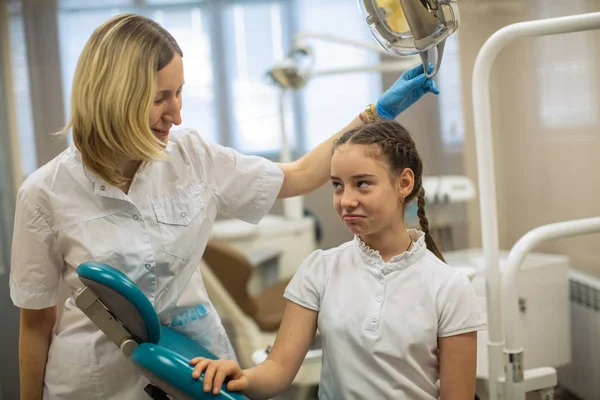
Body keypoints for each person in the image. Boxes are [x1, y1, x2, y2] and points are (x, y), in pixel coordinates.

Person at [9, 13, 438, 400]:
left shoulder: (191, 155)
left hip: (197, 368)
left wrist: (377, 112)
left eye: (179, 94)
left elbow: (300, 175)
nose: (175, 115)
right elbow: (36, 323)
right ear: (115, 95)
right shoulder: (45, 193)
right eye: (161, 97)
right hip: (96, 381)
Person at [191, 120, 486, 399]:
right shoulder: (320, 269)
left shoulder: (449, 288)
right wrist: (241, 376)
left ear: (404, 183)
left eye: (362, 184)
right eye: (337, 185)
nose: (346, 200)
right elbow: (278, 370)